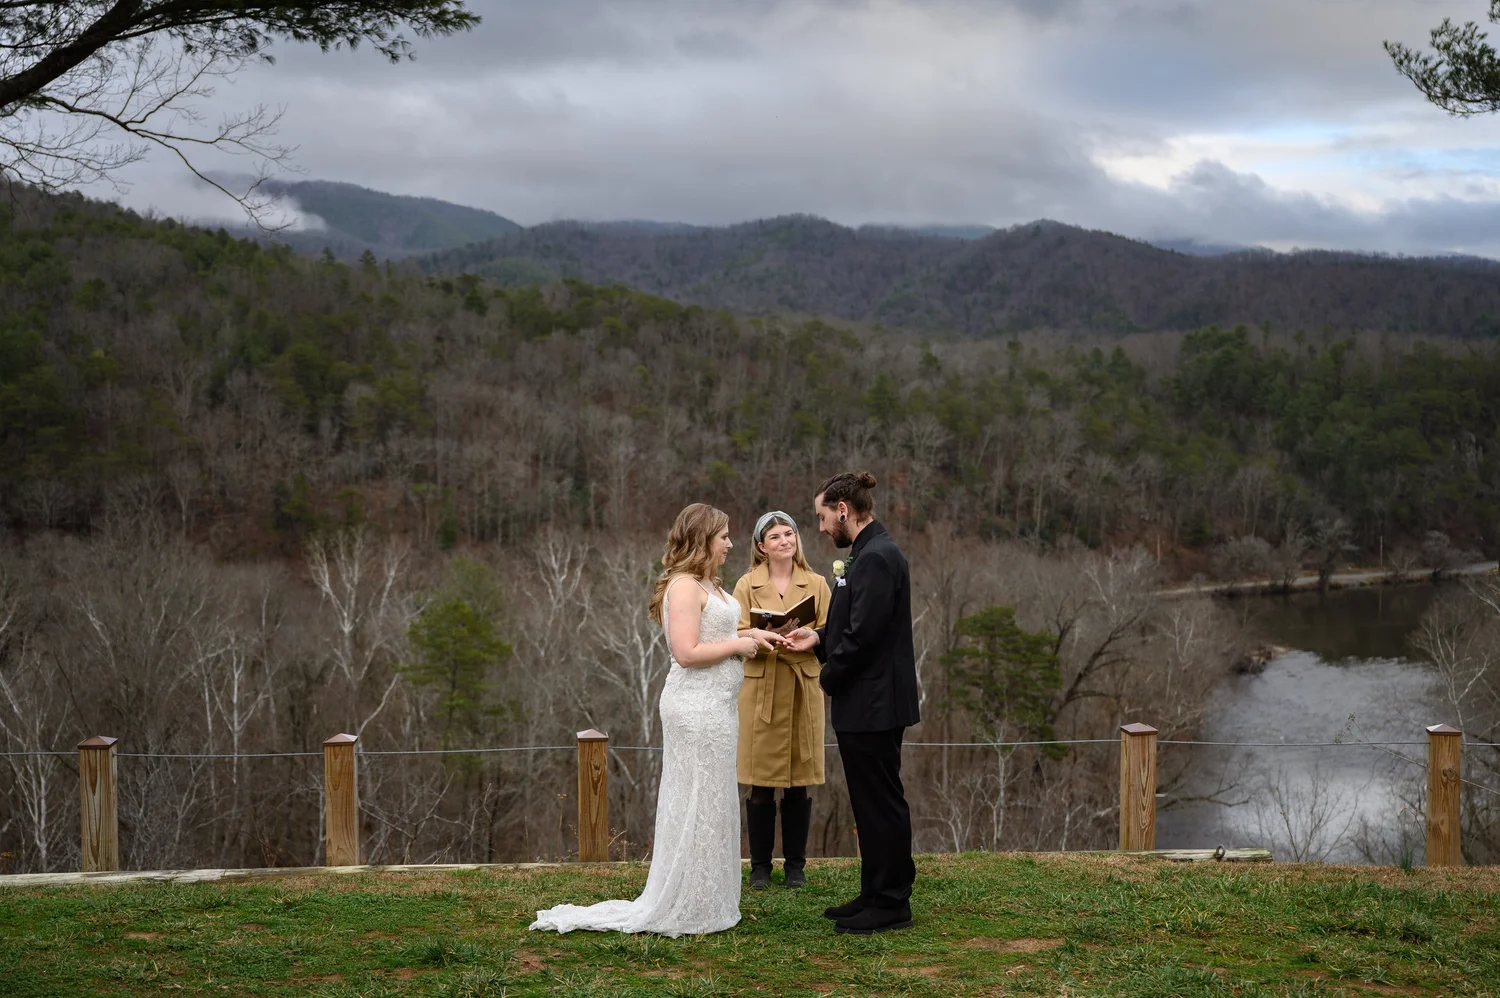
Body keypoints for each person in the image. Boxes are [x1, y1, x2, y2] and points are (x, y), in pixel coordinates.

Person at [530, 503, 785, 937]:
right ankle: (686, 904)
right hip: (695, 708)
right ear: (703, 538)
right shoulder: (683, 586)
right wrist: (737, 648)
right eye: (723, 536)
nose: (729, 544)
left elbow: (714, 634)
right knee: (696, 801)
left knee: (713, 802)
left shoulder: (709, 583)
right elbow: (686, 653)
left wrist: (750, 634)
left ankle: (707, 899)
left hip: (719, 708)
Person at [785, 472, 919, 935]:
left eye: (823, 517)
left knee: (881, 802)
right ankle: (873, 891)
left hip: (875, 701)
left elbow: (866, 636)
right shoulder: (865, 555)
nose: (821, 528)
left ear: (843, 510)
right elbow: (852, 624)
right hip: (865, 700)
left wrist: (828, 674)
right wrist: (817, 637)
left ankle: (892, 902)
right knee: (867, 802)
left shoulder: (879, 558)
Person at [730, 510, 833, 890]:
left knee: (798, 781)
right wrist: (760, 637)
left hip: (802, 684)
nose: (784, 541)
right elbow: (736, 632)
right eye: (774, 536)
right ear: (761, 546)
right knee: (760, 781)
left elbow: (830, 627)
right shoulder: (745, 584)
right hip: (762, 687)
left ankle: (796, 867)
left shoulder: (818, 583)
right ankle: (759, 867)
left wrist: (812, 635)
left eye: (788, 534)